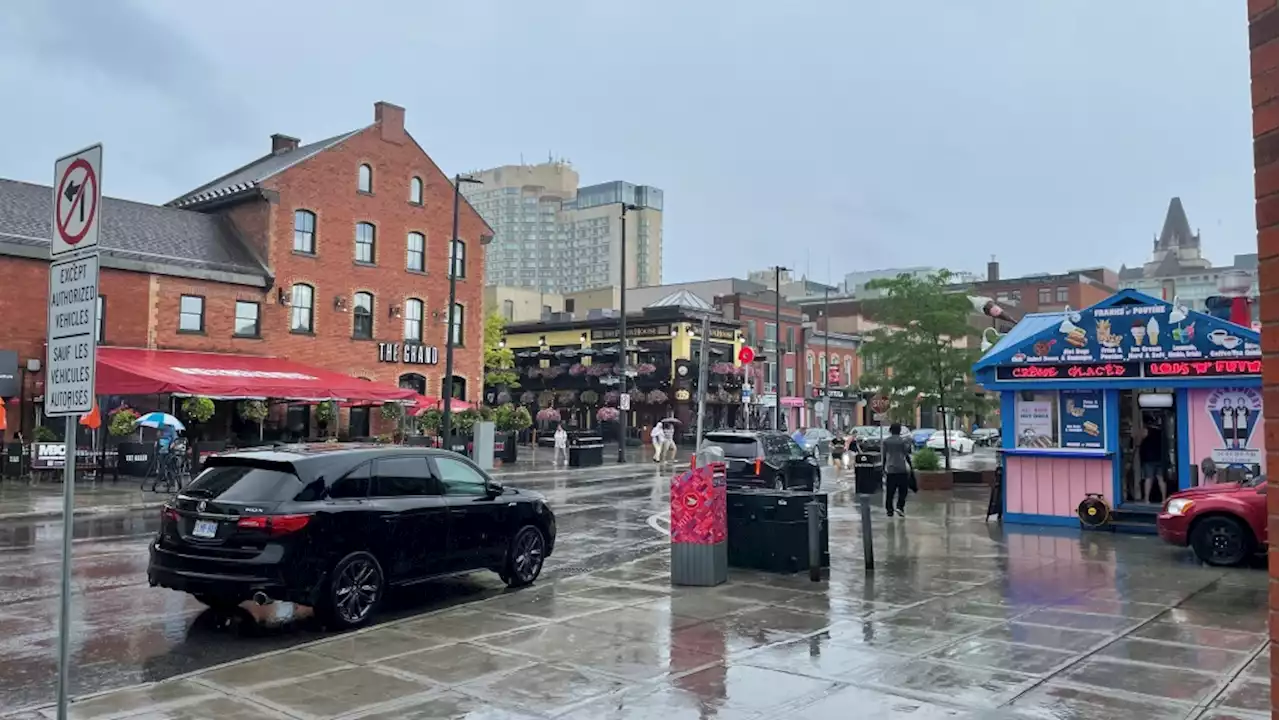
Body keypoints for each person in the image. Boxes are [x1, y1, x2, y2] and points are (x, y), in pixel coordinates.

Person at [881, 422, 913, 518]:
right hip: (901, 468)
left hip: (890, 468)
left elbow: (884, 456)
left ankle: (889, 510)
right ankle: (900, 507)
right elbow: (906, 453)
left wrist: (883, 467)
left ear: (890, 430)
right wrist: (910, 466)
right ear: (899, 430)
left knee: (890, 491)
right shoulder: (902, 441)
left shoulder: (886, 441)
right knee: (903, 490)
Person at [1138, 420, 1165, 503]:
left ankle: (1146, 499)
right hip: (1160, 458)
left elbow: (1139, 441)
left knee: (1149, 479)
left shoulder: (1147, 430)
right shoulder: (1161, 432)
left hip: (1149, 459)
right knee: (1161, 479)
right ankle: (1164, 499)